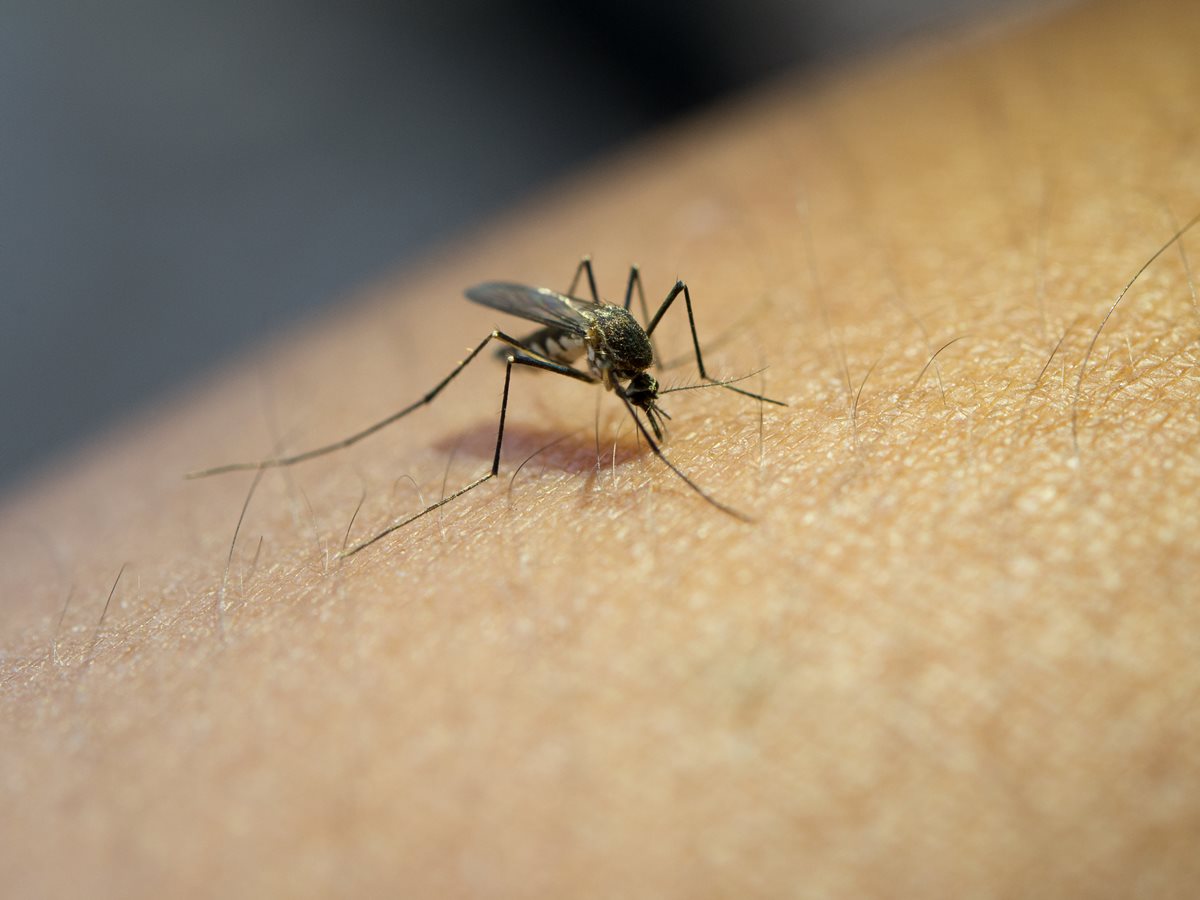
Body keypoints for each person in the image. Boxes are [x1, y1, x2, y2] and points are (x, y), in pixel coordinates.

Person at [3, 0, 1197, 894]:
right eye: (642, 390)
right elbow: (573, 338)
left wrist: (686, 381)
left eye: (639, 389)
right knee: (509, 357)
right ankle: (439, 454)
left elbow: (644, 341)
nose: (638, 402)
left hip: (595, 314)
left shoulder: (637, 344)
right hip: (548, 327)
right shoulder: (587, 349)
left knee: (639, 291)